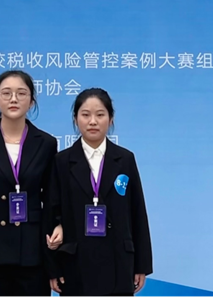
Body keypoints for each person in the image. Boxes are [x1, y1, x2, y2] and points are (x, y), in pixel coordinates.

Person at [0, 70, 62, 297]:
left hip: (32, 250)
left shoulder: (46, 143)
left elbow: (52, 196)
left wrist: (59, 224)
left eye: (21, 93)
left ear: (32, 101)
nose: (13, 99)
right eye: (6, 93)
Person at [46, 88, 153, 297]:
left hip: (118, 262)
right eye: (85, 115)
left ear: (110, 119)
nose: (93, 121)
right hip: (76, 265)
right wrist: (53, 268)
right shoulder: (62, 161)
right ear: (75, 119)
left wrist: (142, 265)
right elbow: (51, 213)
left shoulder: (125, 159)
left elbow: (137, 212)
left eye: (100, 114)